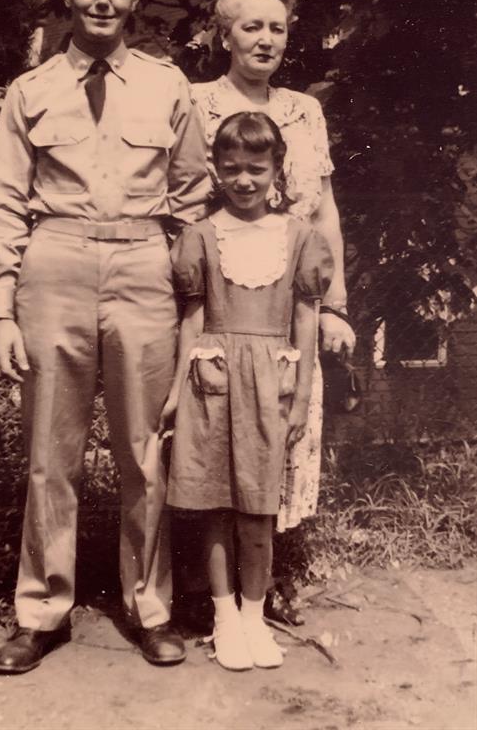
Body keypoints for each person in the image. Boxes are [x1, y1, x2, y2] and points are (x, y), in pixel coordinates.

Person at [0, 0, 211, 674]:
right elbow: (5, 205)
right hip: (56, 264)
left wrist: (191, 301)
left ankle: (150, 607)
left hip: (144, 264)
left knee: (147, 452)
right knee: (51, 453)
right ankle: (41, 611)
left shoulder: (166, 85)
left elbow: (193, 200)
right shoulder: (31, 90)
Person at [161, 111, 333, 670]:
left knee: (258, 508)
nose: (243, 180)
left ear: (276, 168)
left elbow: (305, 317)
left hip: (271, 382)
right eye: (231, 168)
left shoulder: (298, 236)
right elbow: (191, 317)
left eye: (256, 169)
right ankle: (224, 617)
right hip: (210, 379)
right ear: (215, 169)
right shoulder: (202, 236)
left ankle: (256, 618)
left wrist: (302, 389)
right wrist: (174, 389)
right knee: (214, 504)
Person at [191, 0, 356, 531]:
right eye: (252, 26)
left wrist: (335, 306)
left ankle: (273, 572)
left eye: (278, 29)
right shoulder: (195, 105)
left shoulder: (306, 111)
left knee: (288, 422)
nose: (266, 39)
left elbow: (326, 211)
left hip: (296, 307)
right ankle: (205, 583)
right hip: (224, 302)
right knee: (217, 432)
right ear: (225, 35)